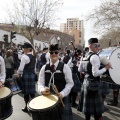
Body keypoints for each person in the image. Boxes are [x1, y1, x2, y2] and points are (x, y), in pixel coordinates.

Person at [78, 38, 112, 120]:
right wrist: (106, 68)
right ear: (90, 46)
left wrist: (87, 74)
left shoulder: (84, 55)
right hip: (94, 84)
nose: (97, 47)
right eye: (95, 45)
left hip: (86, 83)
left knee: (87, 110)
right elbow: (95, 73)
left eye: (98, 45)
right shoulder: (95, 57)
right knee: (97, 111)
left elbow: (80, 70)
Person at [38, 44, 74, 120]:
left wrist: (62, 93)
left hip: (62, 99)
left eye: (56, 52)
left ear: (59, 53)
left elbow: (70, 83)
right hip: (48, 99)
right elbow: (40, 83)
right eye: (51, 52)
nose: (54, 54)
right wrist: (42, 89)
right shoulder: (44, 68)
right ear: (49, 53)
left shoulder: (65, 67)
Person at [17, 42, 36, 112]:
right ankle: (35, 107)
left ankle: (26, 107)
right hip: (32, 75)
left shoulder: (24, 57)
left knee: (26, 93)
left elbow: (20, 68)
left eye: (24, 48)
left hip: (26, 75)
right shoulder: (34, 56)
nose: (23, 50)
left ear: (27, 49)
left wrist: (18, 74)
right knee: (32, 93)